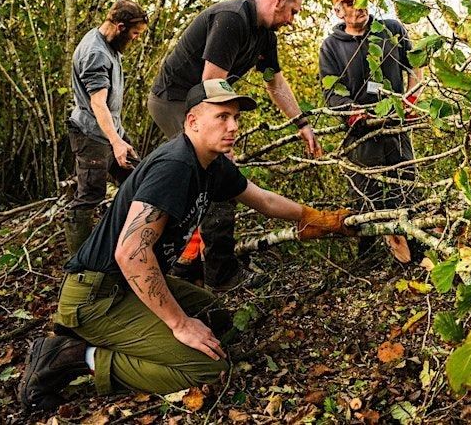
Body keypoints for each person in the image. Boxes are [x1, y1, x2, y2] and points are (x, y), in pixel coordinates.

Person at [19, 79, 354, 410]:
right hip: (97, 296)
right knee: (206, 367)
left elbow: (263, 200)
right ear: (192, 121)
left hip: (127, 288)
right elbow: (131, 252)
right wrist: (179, 325)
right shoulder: (176, 165)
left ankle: (116, 336)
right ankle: (72, 355)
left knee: (214, 319)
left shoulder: (212, 163)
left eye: (236, 117)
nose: (233, 126)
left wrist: (316, 217)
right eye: (222, 117)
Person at [147, 0, 323, 289]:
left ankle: (188, 261)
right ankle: (221, 274)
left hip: (202, 99)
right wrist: (220, 143)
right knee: (218, 174)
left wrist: (303, 123)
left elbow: (275, 83)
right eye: (293, 12)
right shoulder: (232, 20)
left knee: (205, 177)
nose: (292, 20)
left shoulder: (265, 37)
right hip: (173, 100)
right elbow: (211, 82)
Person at [318, 0, 424, 263]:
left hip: (394, 125)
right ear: (339, 10)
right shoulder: (331, 47)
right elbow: (332, 92)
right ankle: (368, 259)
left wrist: (411, 99)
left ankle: (413, 253)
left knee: (405, 185)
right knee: (366, 195)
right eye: (350, 3)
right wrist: (351, 112)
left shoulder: (391, 30)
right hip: (360, 133)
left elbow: (415, 64)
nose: (358, 6)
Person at [64, 0, 149, 254]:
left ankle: (129, 246)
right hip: (92, 136)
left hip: (111, 131)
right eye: (134, 34)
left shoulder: (107, 43)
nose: (135, 39)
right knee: (89, 196)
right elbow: (98, 104)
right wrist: (116, 142)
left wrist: (119, 136)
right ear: (120, 27)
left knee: (138, 180)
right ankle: (79, 262)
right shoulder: (95, 53)